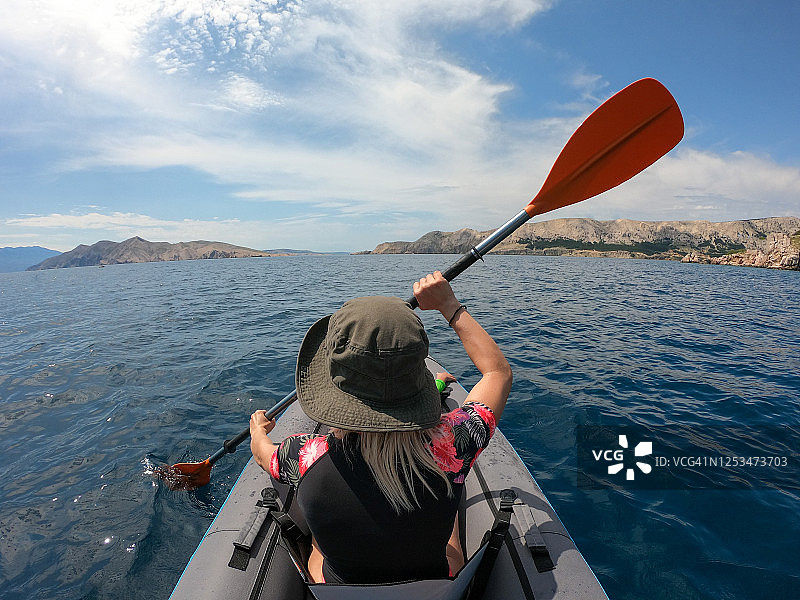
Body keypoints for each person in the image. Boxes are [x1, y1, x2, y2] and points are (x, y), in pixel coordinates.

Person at [250, 271, 512, 584]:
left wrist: (258, 430)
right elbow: (497, 373)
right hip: (431, 587)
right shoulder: (456, 443)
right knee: (450, 524)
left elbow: (262, 453)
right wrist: (449, 305)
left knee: (320, 546)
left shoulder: (301, 454)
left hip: (341, 589)